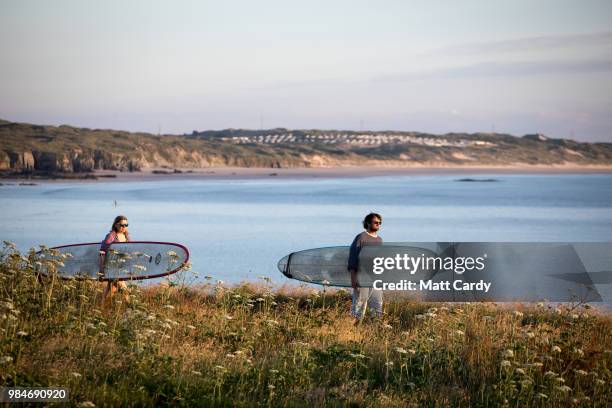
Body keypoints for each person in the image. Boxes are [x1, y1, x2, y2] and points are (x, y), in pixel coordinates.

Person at [348, 212, 383, 323]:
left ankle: (375, 328)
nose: (378, 224)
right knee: (359, 304)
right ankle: (353, 330)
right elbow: (353, 258)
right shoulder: (361, 237)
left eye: (380, 223)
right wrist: (354, 278)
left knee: (377, 304)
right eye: (375, 222)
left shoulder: (379, 240)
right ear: (368, 223)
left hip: (375, 278)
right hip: (361, 278)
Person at [100, 215, 131, 301]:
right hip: (112, 266)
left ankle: (101, 307)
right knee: (125, 291)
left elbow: (128, 251)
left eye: (126, 225)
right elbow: (102, 252)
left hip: (121, 267)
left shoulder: (126, 236)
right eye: (122, 225)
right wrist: (101, 270)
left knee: (112, 289)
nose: (124, 227)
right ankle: (131, 307)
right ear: (116, 225)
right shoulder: (111, 236)